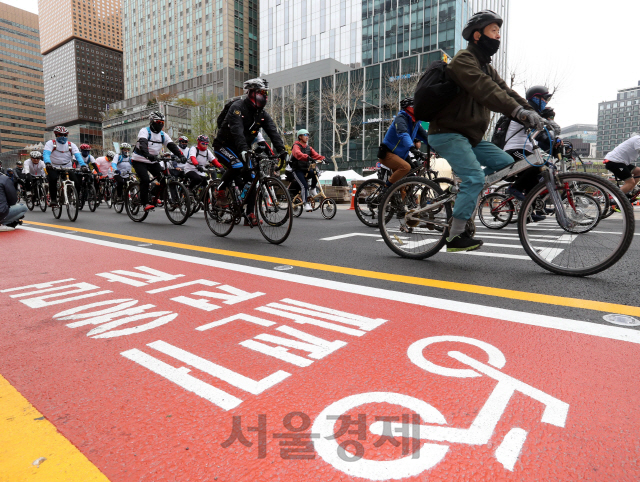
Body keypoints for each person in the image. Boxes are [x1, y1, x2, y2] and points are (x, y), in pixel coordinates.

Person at [426, 9, 544, 252]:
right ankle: (455, 236)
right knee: (475, 177)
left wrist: (535, 114)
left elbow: (507, 91)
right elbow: (486, 90)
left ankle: (466, 190)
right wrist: (518, 113)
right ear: (477, 35)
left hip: (470, 136)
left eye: (499, 32)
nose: (498, 36)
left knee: (507, 163)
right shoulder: (463, 60)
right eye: (494, 31)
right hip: (447, 132)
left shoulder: (486, 67)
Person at [213, 77, 287, 226]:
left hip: (241, 149)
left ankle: (250, 214)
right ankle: (219, 191)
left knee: (253, 179)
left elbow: (273, 132)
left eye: (266, 93)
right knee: (236, 166)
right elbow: (237, 132)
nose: (265, 96)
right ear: (251, 92)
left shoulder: (262, 114)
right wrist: (244, 150)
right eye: (261, 92)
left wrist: (282, 151)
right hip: (223, 146)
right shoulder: (237, 107)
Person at [130, 111, 187, 212]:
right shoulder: (144, 131)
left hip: (152, 161)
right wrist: (148, 155)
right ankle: (145, 203)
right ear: (152, 121)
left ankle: (153, 196)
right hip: (139, 160)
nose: (160, 124)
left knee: (162, 178)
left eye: (162, 122)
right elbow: (143, 145)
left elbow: (172, 146)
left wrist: (181, 156)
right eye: (158, 121)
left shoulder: (163, 135)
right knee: (145, 179)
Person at [378, 97, 429, 191]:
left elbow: (426, 137)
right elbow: (403, 134)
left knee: (404, 186)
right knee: (405, 167)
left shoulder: (416, 123)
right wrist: (412, 148)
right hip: (387, 153)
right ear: (410, 108)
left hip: (401, 156)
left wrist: (437, 149)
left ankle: (395, 202)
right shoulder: (401, 118)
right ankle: (385, 189)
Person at [43, 126, 87, 207]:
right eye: (60, 135)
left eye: (65, 135)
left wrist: (83, 165)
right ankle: (53, 200)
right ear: (56, 135)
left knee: (76, 182)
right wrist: (48, 163)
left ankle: (72, 196)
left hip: (67, 166)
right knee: (52, 179)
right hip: (53, 166)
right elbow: (46, 154)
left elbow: (78, 156)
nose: (63, 137)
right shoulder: (50, 143)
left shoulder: (71, 145)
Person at [290, 129, 325, 211]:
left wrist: (323, 159)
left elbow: (316, 155)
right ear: (300, 136)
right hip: (297, 170)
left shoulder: (309, 148)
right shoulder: (296, 146)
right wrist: (308, 157)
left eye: (308, 135)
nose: (307, 137)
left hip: (306, 169)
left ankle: (313, 188)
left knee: (316, 173)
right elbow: (298, 154)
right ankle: (306, 204)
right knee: (304, 186)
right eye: (305, 135)